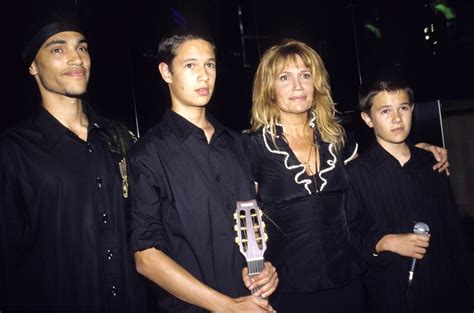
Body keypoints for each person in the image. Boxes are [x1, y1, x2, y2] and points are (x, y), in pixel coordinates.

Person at [246, 39, 450, 313]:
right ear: (269, 90)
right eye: (285, 78)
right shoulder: (253, 148)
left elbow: (377, 166)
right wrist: (250, 267)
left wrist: (420, 152)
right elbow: (239, 216)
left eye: (305, 75)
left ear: (316, 84)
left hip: (349, 285)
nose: (298, 86)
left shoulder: (338, 140)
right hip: (287, 291)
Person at [0, 13, 147, 312]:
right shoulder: (13, 150)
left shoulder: (119, 139)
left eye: (82, 48)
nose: (76, 59)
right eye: (58, 49)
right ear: (32, 66)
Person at [127, 33, 278, 313]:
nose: (204, 76)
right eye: (190, 66)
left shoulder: (239, 145)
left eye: (210, 65)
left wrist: (264, 267)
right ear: (166, 72)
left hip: (252, 303)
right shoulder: (147, 153)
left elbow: (253, 225)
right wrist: (228, 306)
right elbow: (146, 258)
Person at [346, 77, 474, 313]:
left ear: (412, 110)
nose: (396, 118)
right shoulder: (355, 175)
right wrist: (384, 242)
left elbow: (453, 231)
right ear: (367, 118)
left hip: (446, 292)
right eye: (385, 111)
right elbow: (350, 242)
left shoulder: (432, 162)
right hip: (391, 295)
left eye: (403, 108)